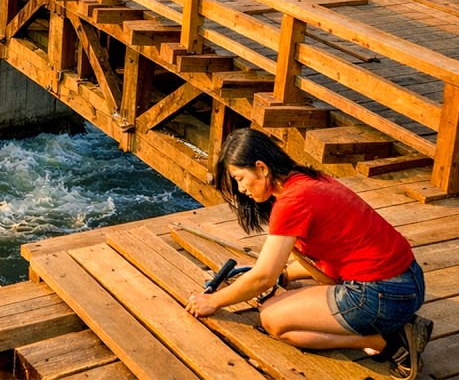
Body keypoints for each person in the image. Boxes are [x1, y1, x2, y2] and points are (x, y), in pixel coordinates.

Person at [184, 128, 431, 380]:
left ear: (261, 168)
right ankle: (392, 327)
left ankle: (389, 342)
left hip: (380, 297)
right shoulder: (308, 180)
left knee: (273, 320)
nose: (240, 188)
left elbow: (263, 277)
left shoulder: (292, 202)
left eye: (239, 178)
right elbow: (326, 258)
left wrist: (214, 300)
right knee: (291, 289)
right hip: (407, 283)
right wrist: (286, 276)